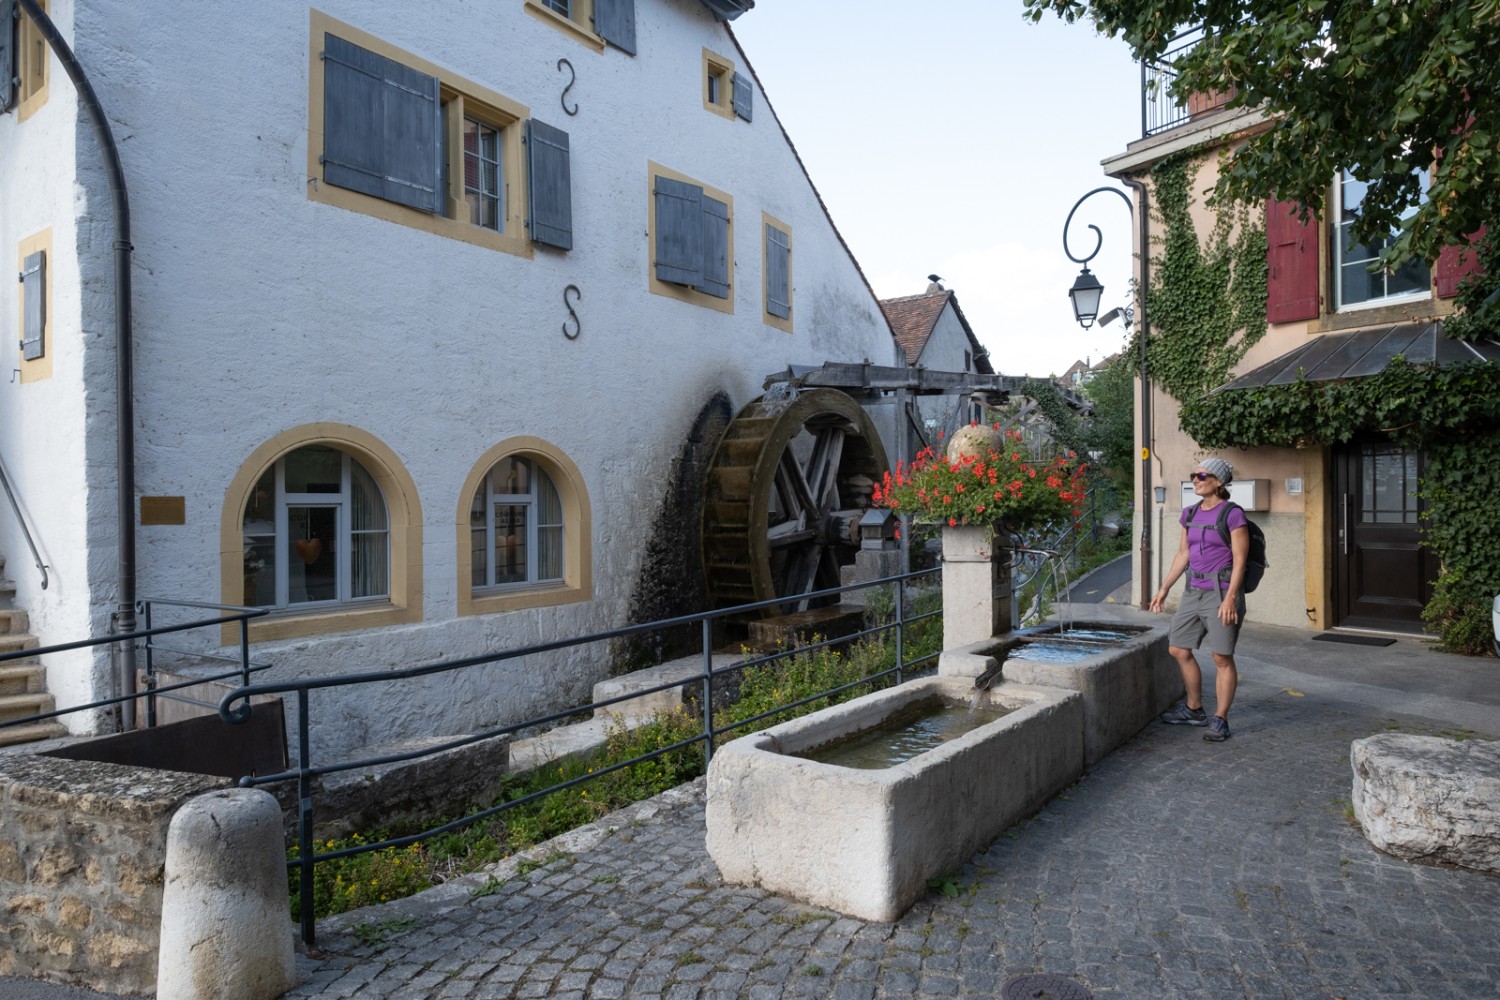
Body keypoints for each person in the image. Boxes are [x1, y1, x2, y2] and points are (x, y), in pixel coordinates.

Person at [1148, 457, 1249, 742]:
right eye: (1193, 475)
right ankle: (1194, 709)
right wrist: (1164, 588)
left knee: (1221, 657)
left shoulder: (1233, 514)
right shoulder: (1189, 513)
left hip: (1222, 591)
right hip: (1194, 589)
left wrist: (1230, 599)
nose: (1195, 479)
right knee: (1178, 648)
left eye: (1202, 475)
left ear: (1218, 482)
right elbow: (1184, 554)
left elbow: (1240, 560)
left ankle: (1221, 719)